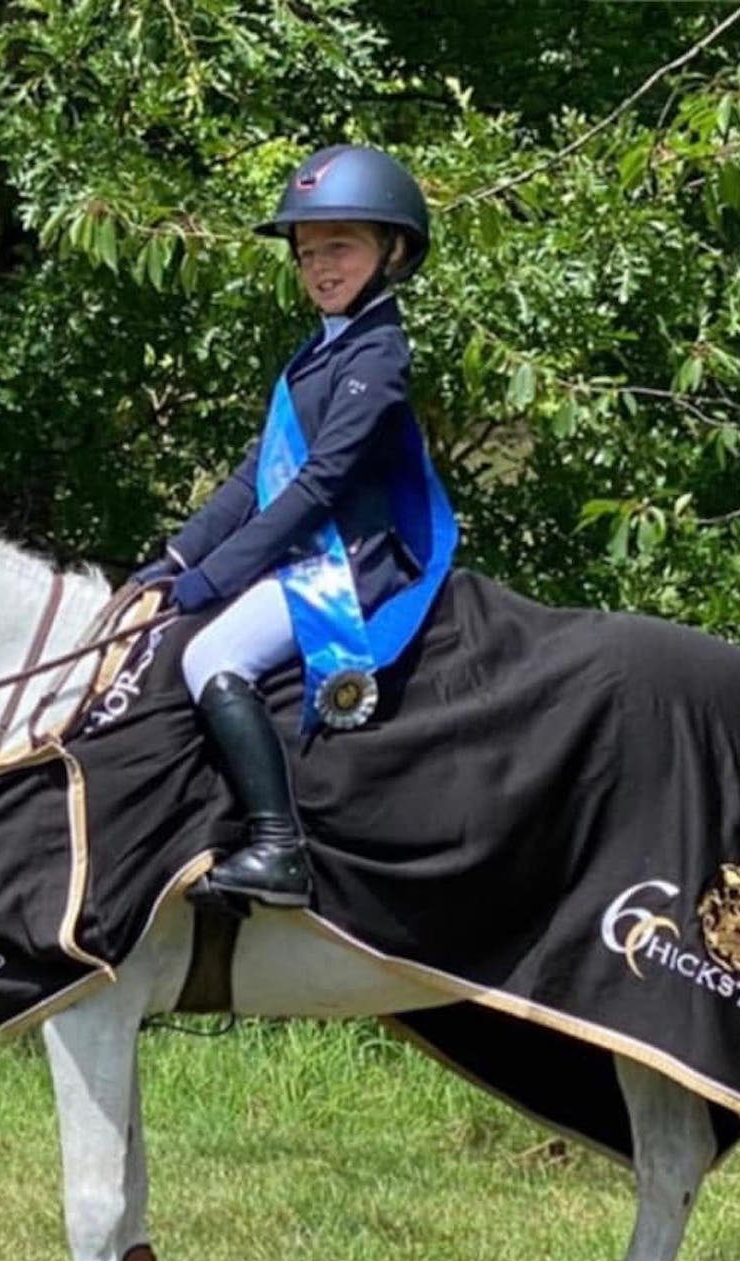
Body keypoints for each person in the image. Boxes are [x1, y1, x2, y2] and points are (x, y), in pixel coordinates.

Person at [135, 143, 457, 908]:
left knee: (212, 652)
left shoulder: (378, 358)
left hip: (348, 562)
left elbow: (317, 486)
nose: (319, 267)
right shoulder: (318, 355)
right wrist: (176, 558)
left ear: (394, 250)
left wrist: (214, 580)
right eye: (308, 253)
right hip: (304, 551)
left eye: (338, 247)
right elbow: (255, 477)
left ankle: (280, 848)